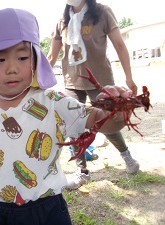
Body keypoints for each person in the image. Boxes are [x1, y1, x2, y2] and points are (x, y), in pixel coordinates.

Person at [0, 8, 134, 225]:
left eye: (23, 57)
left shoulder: (54, 102)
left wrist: (114, 110)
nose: (12, 68)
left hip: (49, 209)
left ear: (36, 60)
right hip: (0, 211)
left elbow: (99, 121)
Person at [47, 0, 140, 190]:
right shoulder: (62, 22)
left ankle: (126, 155)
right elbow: (51, 57)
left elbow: (120, 46)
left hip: (101, 81)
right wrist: (34, 83)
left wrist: (129, 78)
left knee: (107, 124)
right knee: (74, 126)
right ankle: (82, 171)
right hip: (72, 82)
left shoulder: (102, 12)